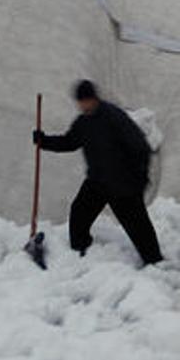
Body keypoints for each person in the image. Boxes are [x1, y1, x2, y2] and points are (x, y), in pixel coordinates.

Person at [33, 80, 163, 264]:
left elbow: (140, 147)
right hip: (98, 181)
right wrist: (44, 141)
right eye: (80, 101)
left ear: (94, 98)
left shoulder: (114, 117)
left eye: (86, 100)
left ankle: (154, 260)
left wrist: (139, 178)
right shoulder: (84, 122)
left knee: (138, 225)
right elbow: (70, 142)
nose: (83, 104)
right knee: (79, 213)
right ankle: (80, 251)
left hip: (123, 183)